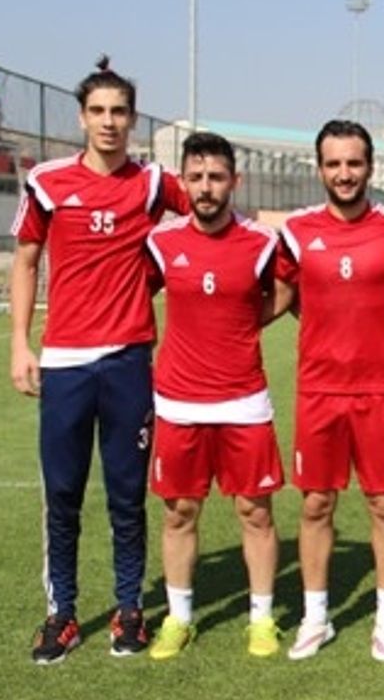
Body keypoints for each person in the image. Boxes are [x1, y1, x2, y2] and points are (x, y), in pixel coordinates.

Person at [9, 56, 188, 665]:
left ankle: (129, 607)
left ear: (133, 120)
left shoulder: (154, 183)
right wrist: (19, 344)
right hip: (64, 362)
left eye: (119, 112)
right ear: (82, 118)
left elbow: (208, 215)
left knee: (126, 494)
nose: (109, 122)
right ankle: (61, 613)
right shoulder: (48, 182)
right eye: (98, 111)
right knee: (62, 493)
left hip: (129, 360)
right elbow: (26, 262)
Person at [273, 120, 384, 663]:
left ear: (369, 167)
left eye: (353, 163)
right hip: (318, 391)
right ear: (320, 168)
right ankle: (315, 618)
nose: (344, 174)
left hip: (379, 391)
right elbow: (277, 298)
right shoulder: (298, 232)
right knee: (316, 504)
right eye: (334, 164)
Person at [142, 132, 285, 660]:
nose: (206, 187)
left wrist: (245, 325)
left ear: (234, 181)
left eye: (217, 177)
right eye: (197, 177)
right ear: (183, 182)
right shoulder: (161, 242)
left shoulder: (261, 242)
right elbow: (136, 293)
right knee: (180, 512)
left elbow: (285, 291)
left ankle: (262, 619)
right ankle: (179, 620)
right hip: (178, 401)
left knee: (255, 512)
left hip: (244, 399)